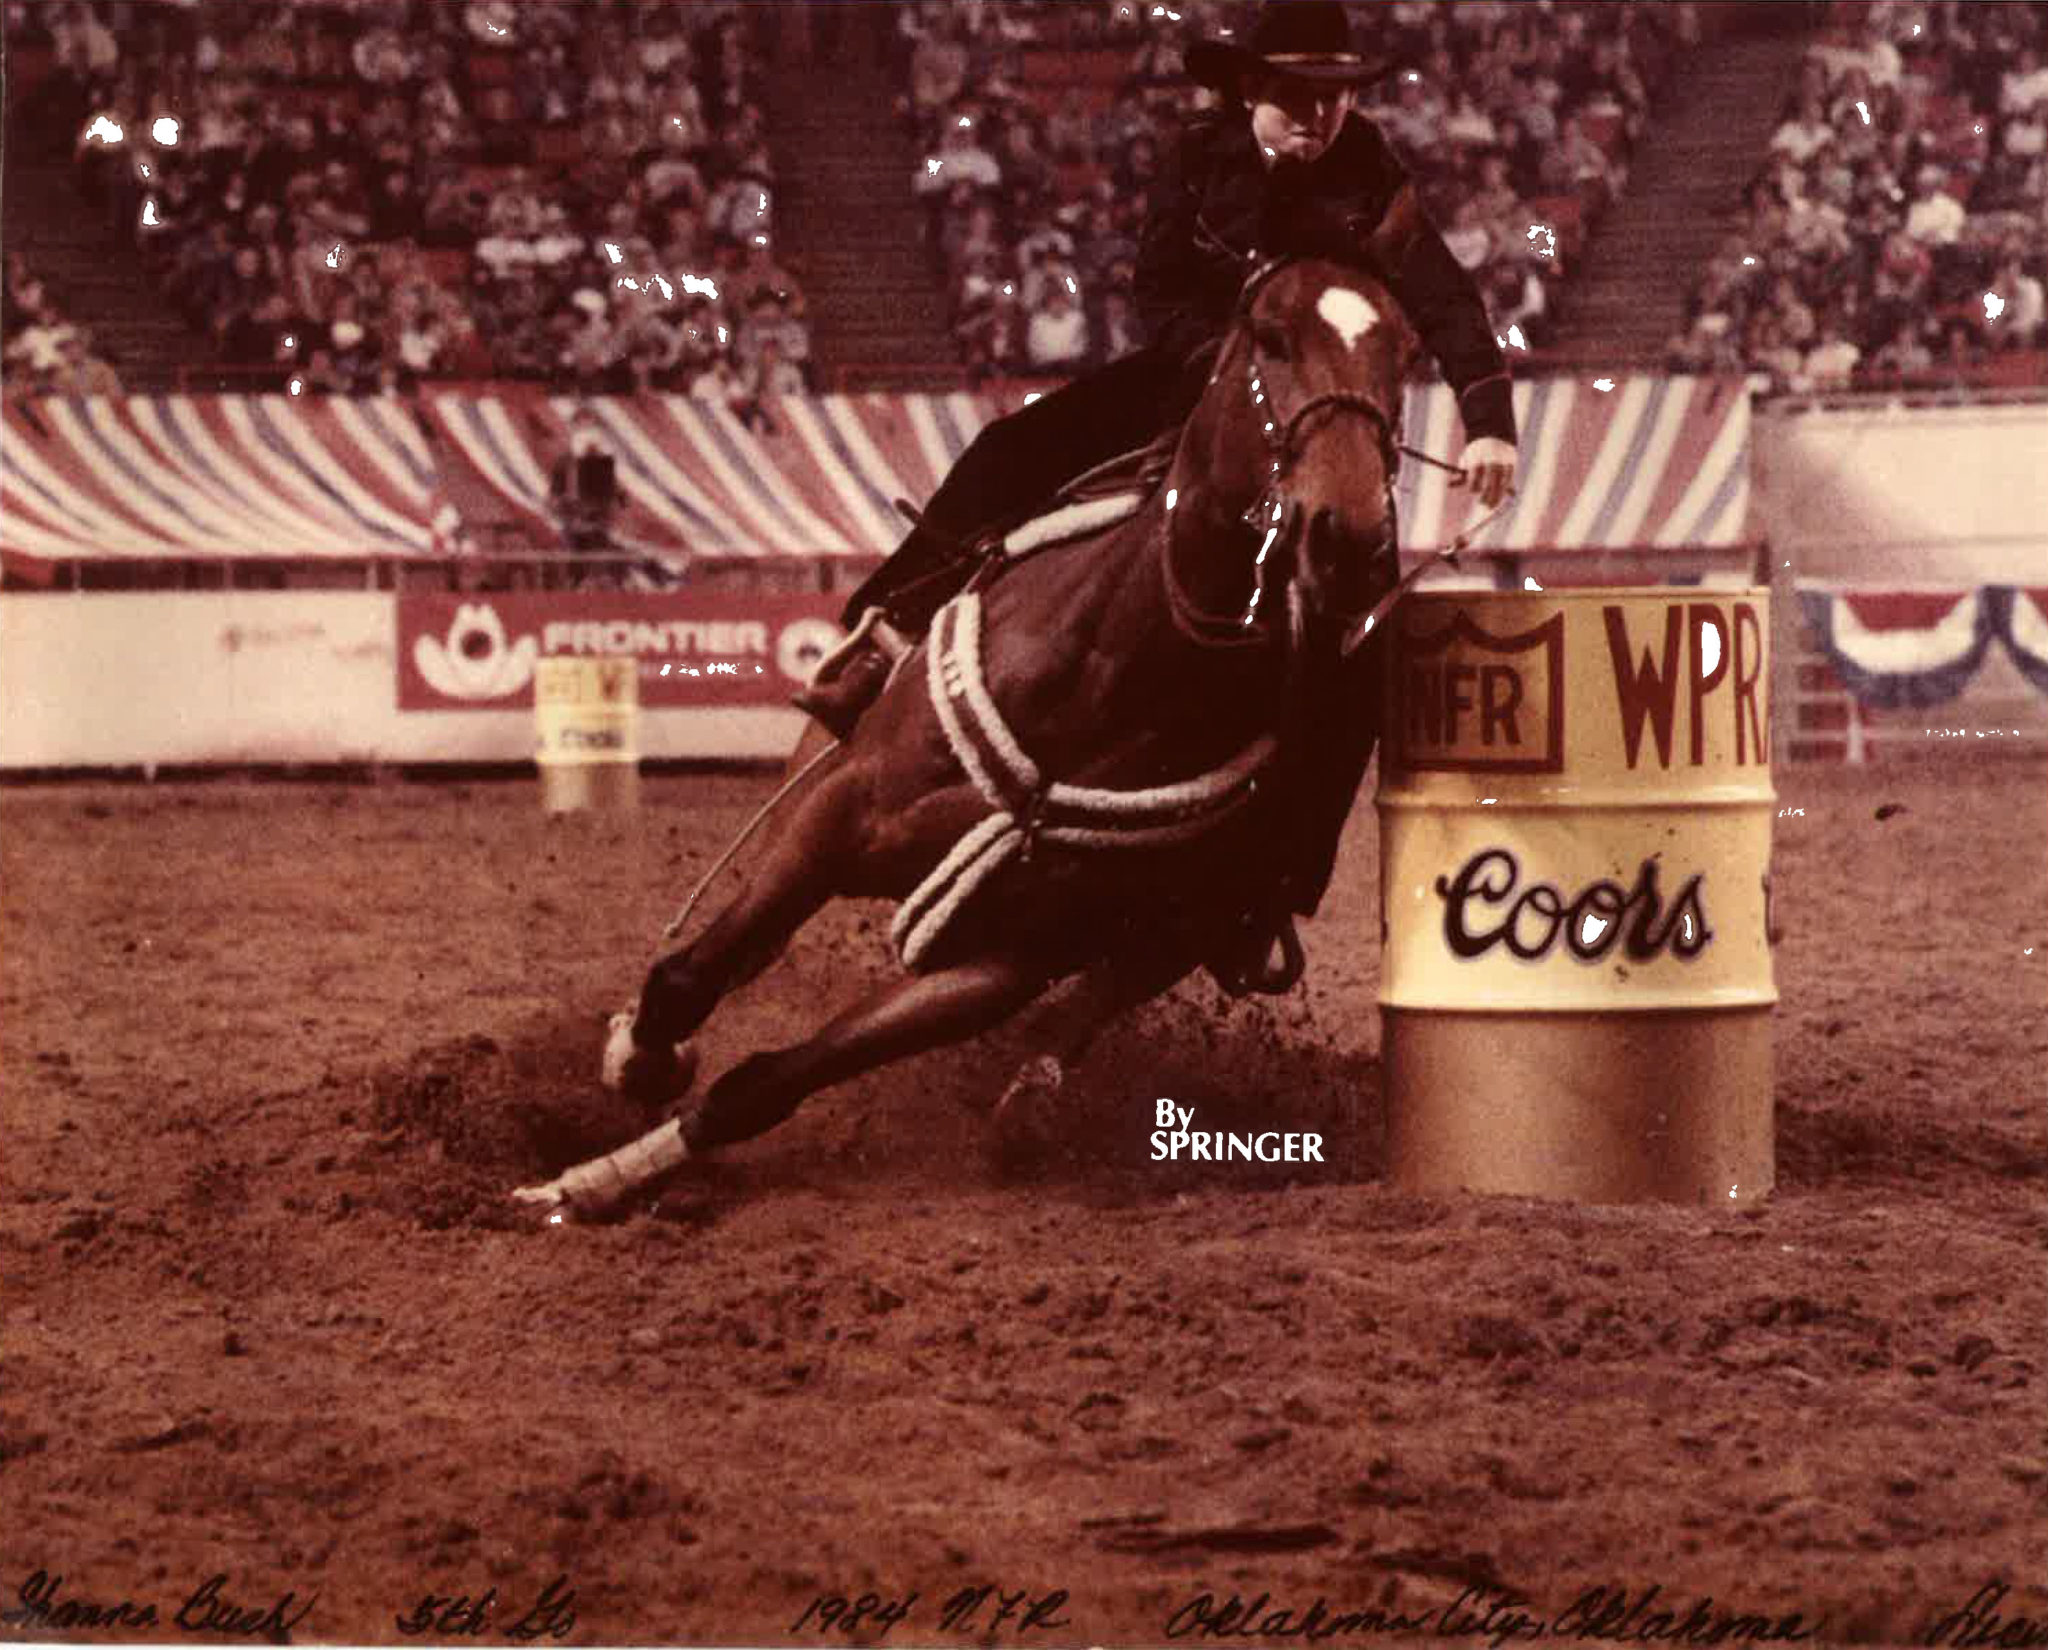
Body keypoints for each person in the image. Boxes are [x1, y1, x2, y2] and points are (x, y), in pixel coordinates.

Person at [798, 0, 1518, 956]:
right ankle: (883, 634)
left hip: (1311, 416)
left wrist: (1488, 420)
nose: (1319, 116)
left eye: (1335, 97)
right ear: (1252, 92)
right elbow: (1158, 288)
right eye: (1298, 98)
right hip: (1198, 378)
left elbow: (1446, 299)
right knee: (1008, 453)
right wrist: (1225, 371)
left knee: (1357, 648)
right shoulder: (1198, 155)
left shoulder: (1372, 172)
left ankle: (1269, 885)